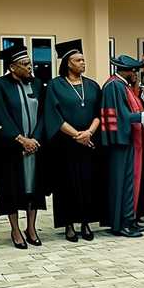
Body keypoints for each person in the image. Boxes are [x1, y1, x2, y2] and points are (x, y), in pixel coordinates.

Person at [43, 40, 102, 242]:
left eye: (83, 60)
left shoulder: (92, 85)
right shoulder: (55, 85)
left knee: (88, 183)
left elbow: (99, 113)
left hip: (89, 143)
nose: (83, 63)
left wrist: (89, 133)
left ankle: (86, 222)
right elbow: (53, 115)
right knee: (66, 184)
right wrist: (77, 135)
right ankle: (68, 224)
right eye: (78, 60)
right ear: (68, 63)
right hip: (65, 145)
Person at [0, 45, 46, 248]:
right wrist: (21, 139)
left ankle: (31, 227)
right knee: (11, 189)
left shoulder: (38, 84)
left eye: (30, 63)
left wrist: (35, 139)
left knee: (34, 189)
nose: (30, 67)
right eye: (25, 64)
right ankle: (15, 229)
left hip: (35, 147)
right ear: (12, 67)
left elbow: (42, 114)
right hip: (11, 148)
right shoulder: (0, 86)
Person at [100, 55, 144, 237]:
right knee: (123, 183)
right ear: (127, 71)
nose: (136, 74)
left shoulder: (123, 85)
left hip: (131, 140)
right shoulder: (114, 86)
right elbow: (119, 116)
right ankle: (121, 224)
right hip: (121, 141)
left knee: (131, 182)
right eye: (134, 71)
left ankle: (129, 220)